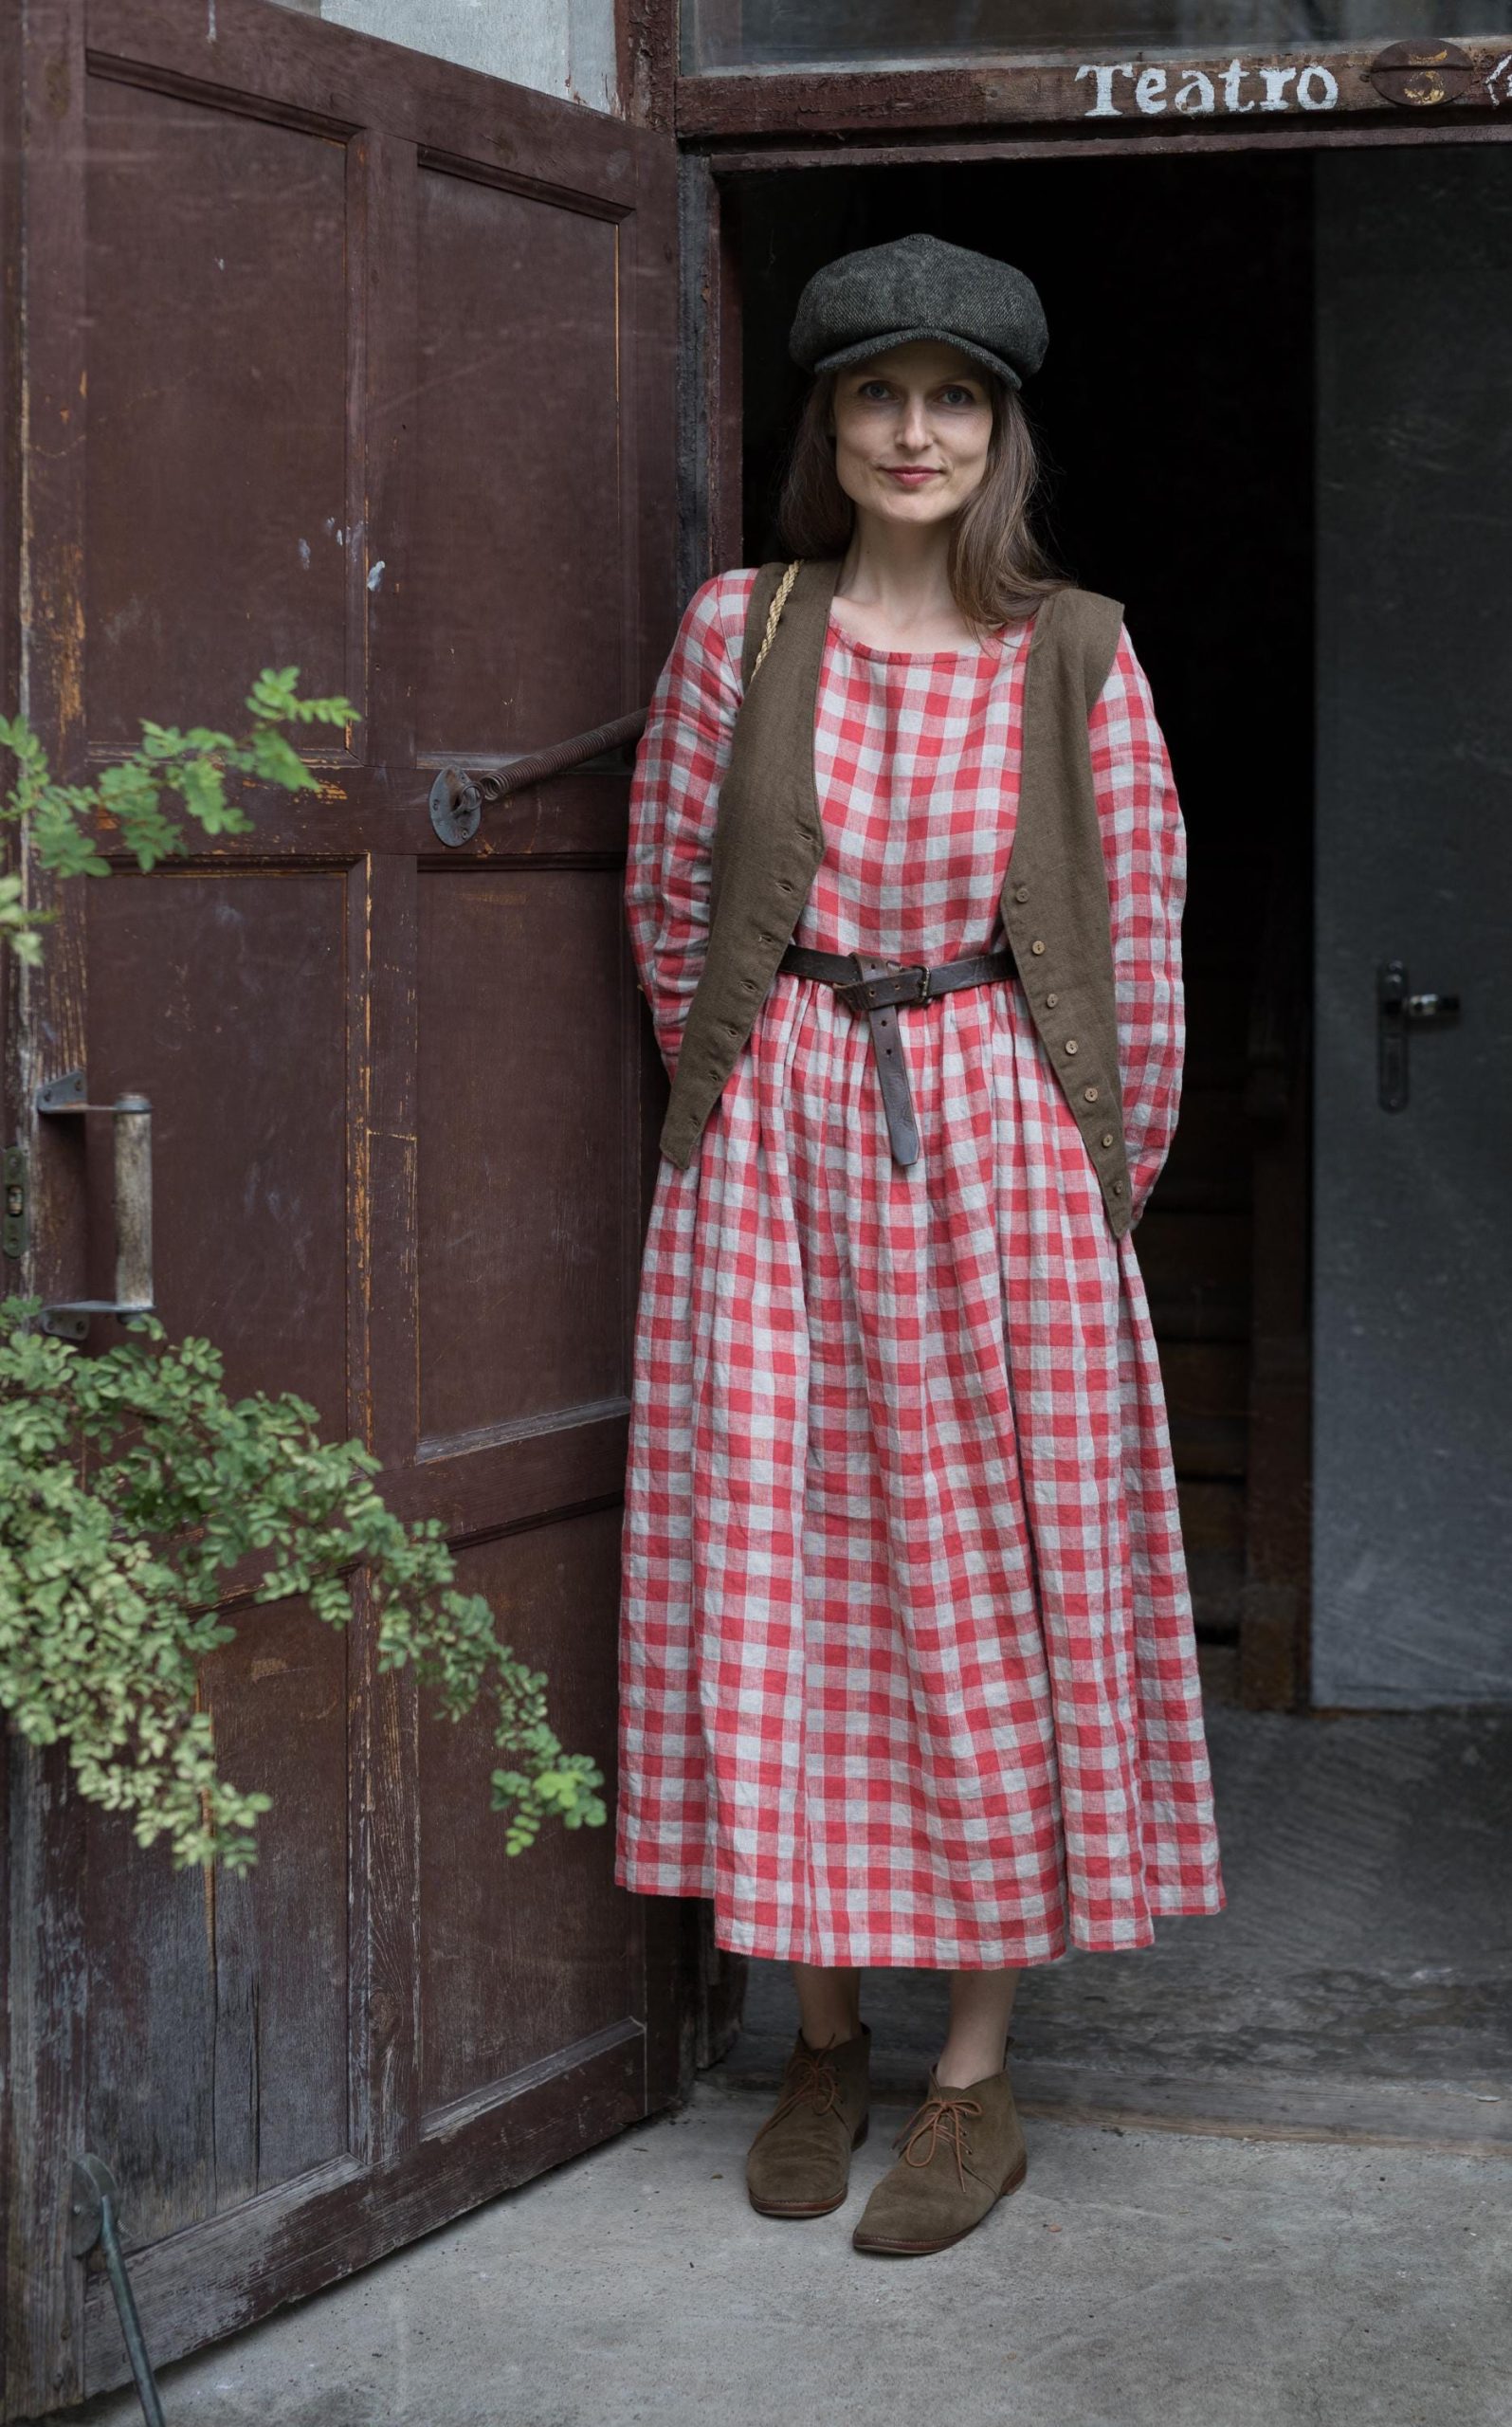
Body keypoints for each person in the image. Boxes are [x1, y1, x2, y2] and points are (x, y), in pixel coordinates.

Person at [616, 231, 1224, 2259]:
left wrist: (1083, 1190)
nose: (913, 431)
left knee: (988, 1580)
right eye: (878, 394)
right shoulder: (742, 629)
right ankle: (818, 2037)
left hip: (1010, 1161)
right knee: (788, 1564)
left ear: (1001, 431)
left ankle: (972, 2076)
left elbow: (1139, 941)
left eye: (952, 399)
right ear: (831, 420)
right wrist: (744, 1104)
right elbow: (671, 896)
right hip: (780, 1140)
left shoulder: (1078, 647)